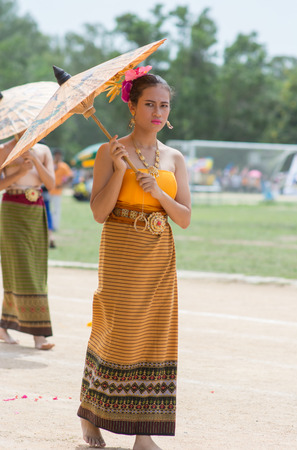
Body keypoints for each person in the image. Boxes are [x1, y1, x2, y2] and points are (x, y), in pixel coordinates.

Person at [77, 68, 191, 449]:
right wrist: (121, 170)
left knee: (156, 337)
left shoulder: (175, 157)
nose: (157, 112)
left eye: (164, 105)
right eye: (149, 104)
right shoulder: (111, 150)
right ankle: (90, 418)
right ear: (132, 105)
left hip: (160, 253)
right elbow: (98, 212)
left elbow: (186, 218)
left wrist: (159, 192)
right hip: (121, 249)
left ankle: (145, 433)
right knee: (116, 331)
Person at [0, 134, 55, 350]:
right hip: (12, 209)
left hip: (36, 208)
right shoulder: (4, 149)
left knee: (36, 268)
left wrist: (34, 158)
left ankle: (3, 325)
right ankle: (39, 334)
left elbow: (51, 183)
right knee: (22, 268)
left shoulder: (44, 150)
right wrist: (21, 171)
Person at [49, 148, 73, 231]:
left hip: (57, 191)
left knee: (56, 209)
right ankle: (48, 225)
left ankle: (55, 226)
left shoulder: (63, 166)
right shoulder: (50, 164)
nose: (58, 156)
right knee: (47, 209)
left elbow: (70, 176)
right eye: (56, 155)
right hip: (48, 190)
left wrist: (63, 185)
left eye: (59, 155)